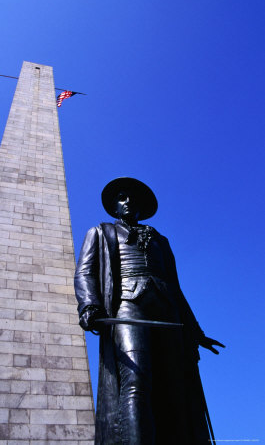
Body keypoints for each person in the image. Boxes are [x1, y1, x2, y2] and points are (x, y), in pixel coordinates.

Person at [74, 177, 224, 445]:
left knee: (175, 387)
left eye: (134, 198)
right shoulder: (100, 232)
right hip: (129, 306)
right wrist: (89, 305)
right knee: (136, 380)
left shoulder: (161, 240)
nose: (128, 201)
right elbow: (85, 272)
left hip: (167, 310)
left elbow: (177, 288)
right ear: (114, 206)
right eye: (122, 197)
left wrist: (195, 331)